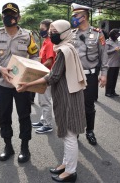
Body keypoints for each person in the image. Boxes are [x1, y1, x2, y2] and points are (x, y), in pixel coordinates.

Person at [17, 20, 87, 183]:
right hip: (68, 94)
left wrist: (28, 84)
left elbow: (53, 76)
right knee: (66, 134)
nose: (50, 33)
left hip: (68, 97)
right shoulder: (68, 47)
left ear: (64, 32)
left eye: (54, 31)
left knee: (69, 135)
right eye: (50, 30)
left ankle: (70, 172)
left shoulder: (64, 50)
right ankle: (66, 164)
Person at [0, 2, 39, 163]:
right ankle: (8, 146)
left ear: (18, 17)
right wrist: (0, 69)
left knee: (24, 116)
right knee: (4, 116)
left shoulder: (27, 35)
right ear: (2, 16)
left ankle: (25, 147)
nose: (9, 17)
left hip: (21, 85)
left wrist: (31, 72)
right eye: (5, 14)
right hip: (2, 85)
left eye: (12, 14)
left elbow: (35, 55)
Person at [70, 3, 108, 145]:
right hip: (73, 76)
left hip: (90, 76)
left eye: (76, 15)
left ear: (84, 17)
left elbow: (103, 56)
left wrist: (104, 74)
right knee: (74, 104)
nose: (73, 18)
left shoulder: (98, 34)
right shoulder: (71, 34)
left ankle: (90, 130)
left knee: (88, 106)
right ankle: (76, 130)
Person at [32, 19, 56, 134]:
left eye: (42, 29)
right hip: (43, 73)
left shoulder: (50, 42)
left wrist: (38, 66)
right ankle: (43, 120)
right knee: (42, 100)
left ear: (49, 29)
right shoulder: (46, 41)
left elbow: (50, 61)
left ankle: (47, 125)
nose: (41, 31)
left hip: (47, 74)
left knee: (45, 101)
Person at [105, 29, 120, 97]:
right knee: (110, 79)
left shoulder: (117, 41)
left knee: (114, 78)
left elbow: (119, 48)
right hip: (110, 64)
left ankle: (113, 91)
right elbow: (106, 52)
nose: (117, 36)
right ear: (113, 35)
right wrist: (114, 49)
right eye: (116, 35)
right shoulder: (108, 42)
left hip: (117, 63)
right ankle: (108, 92)